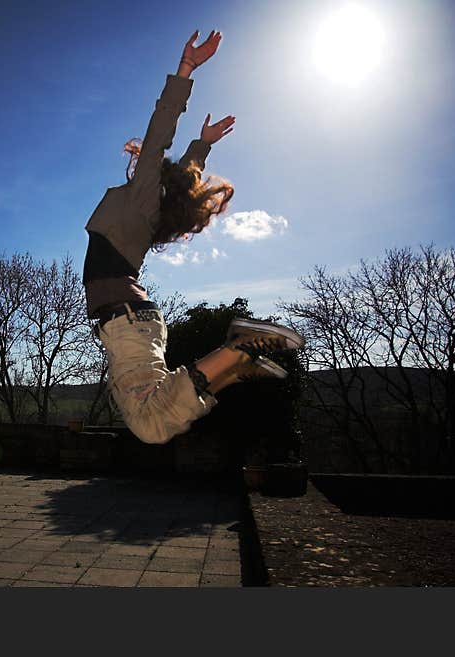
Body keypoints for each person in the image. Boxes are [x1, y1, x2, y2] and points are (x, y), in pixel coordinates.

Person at [83, 29, 304, 445]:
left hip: (128, 322)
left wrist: (188, 77)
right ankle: (238, 361)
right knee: (153, 422)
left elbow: (158, 141)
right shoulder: (149, 210)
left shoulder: (143, 206)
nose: (146, 167)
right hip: (129, 322)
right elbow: (162, 151)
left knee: (153, 422)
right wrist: (199, 144)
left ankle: (240, 354)